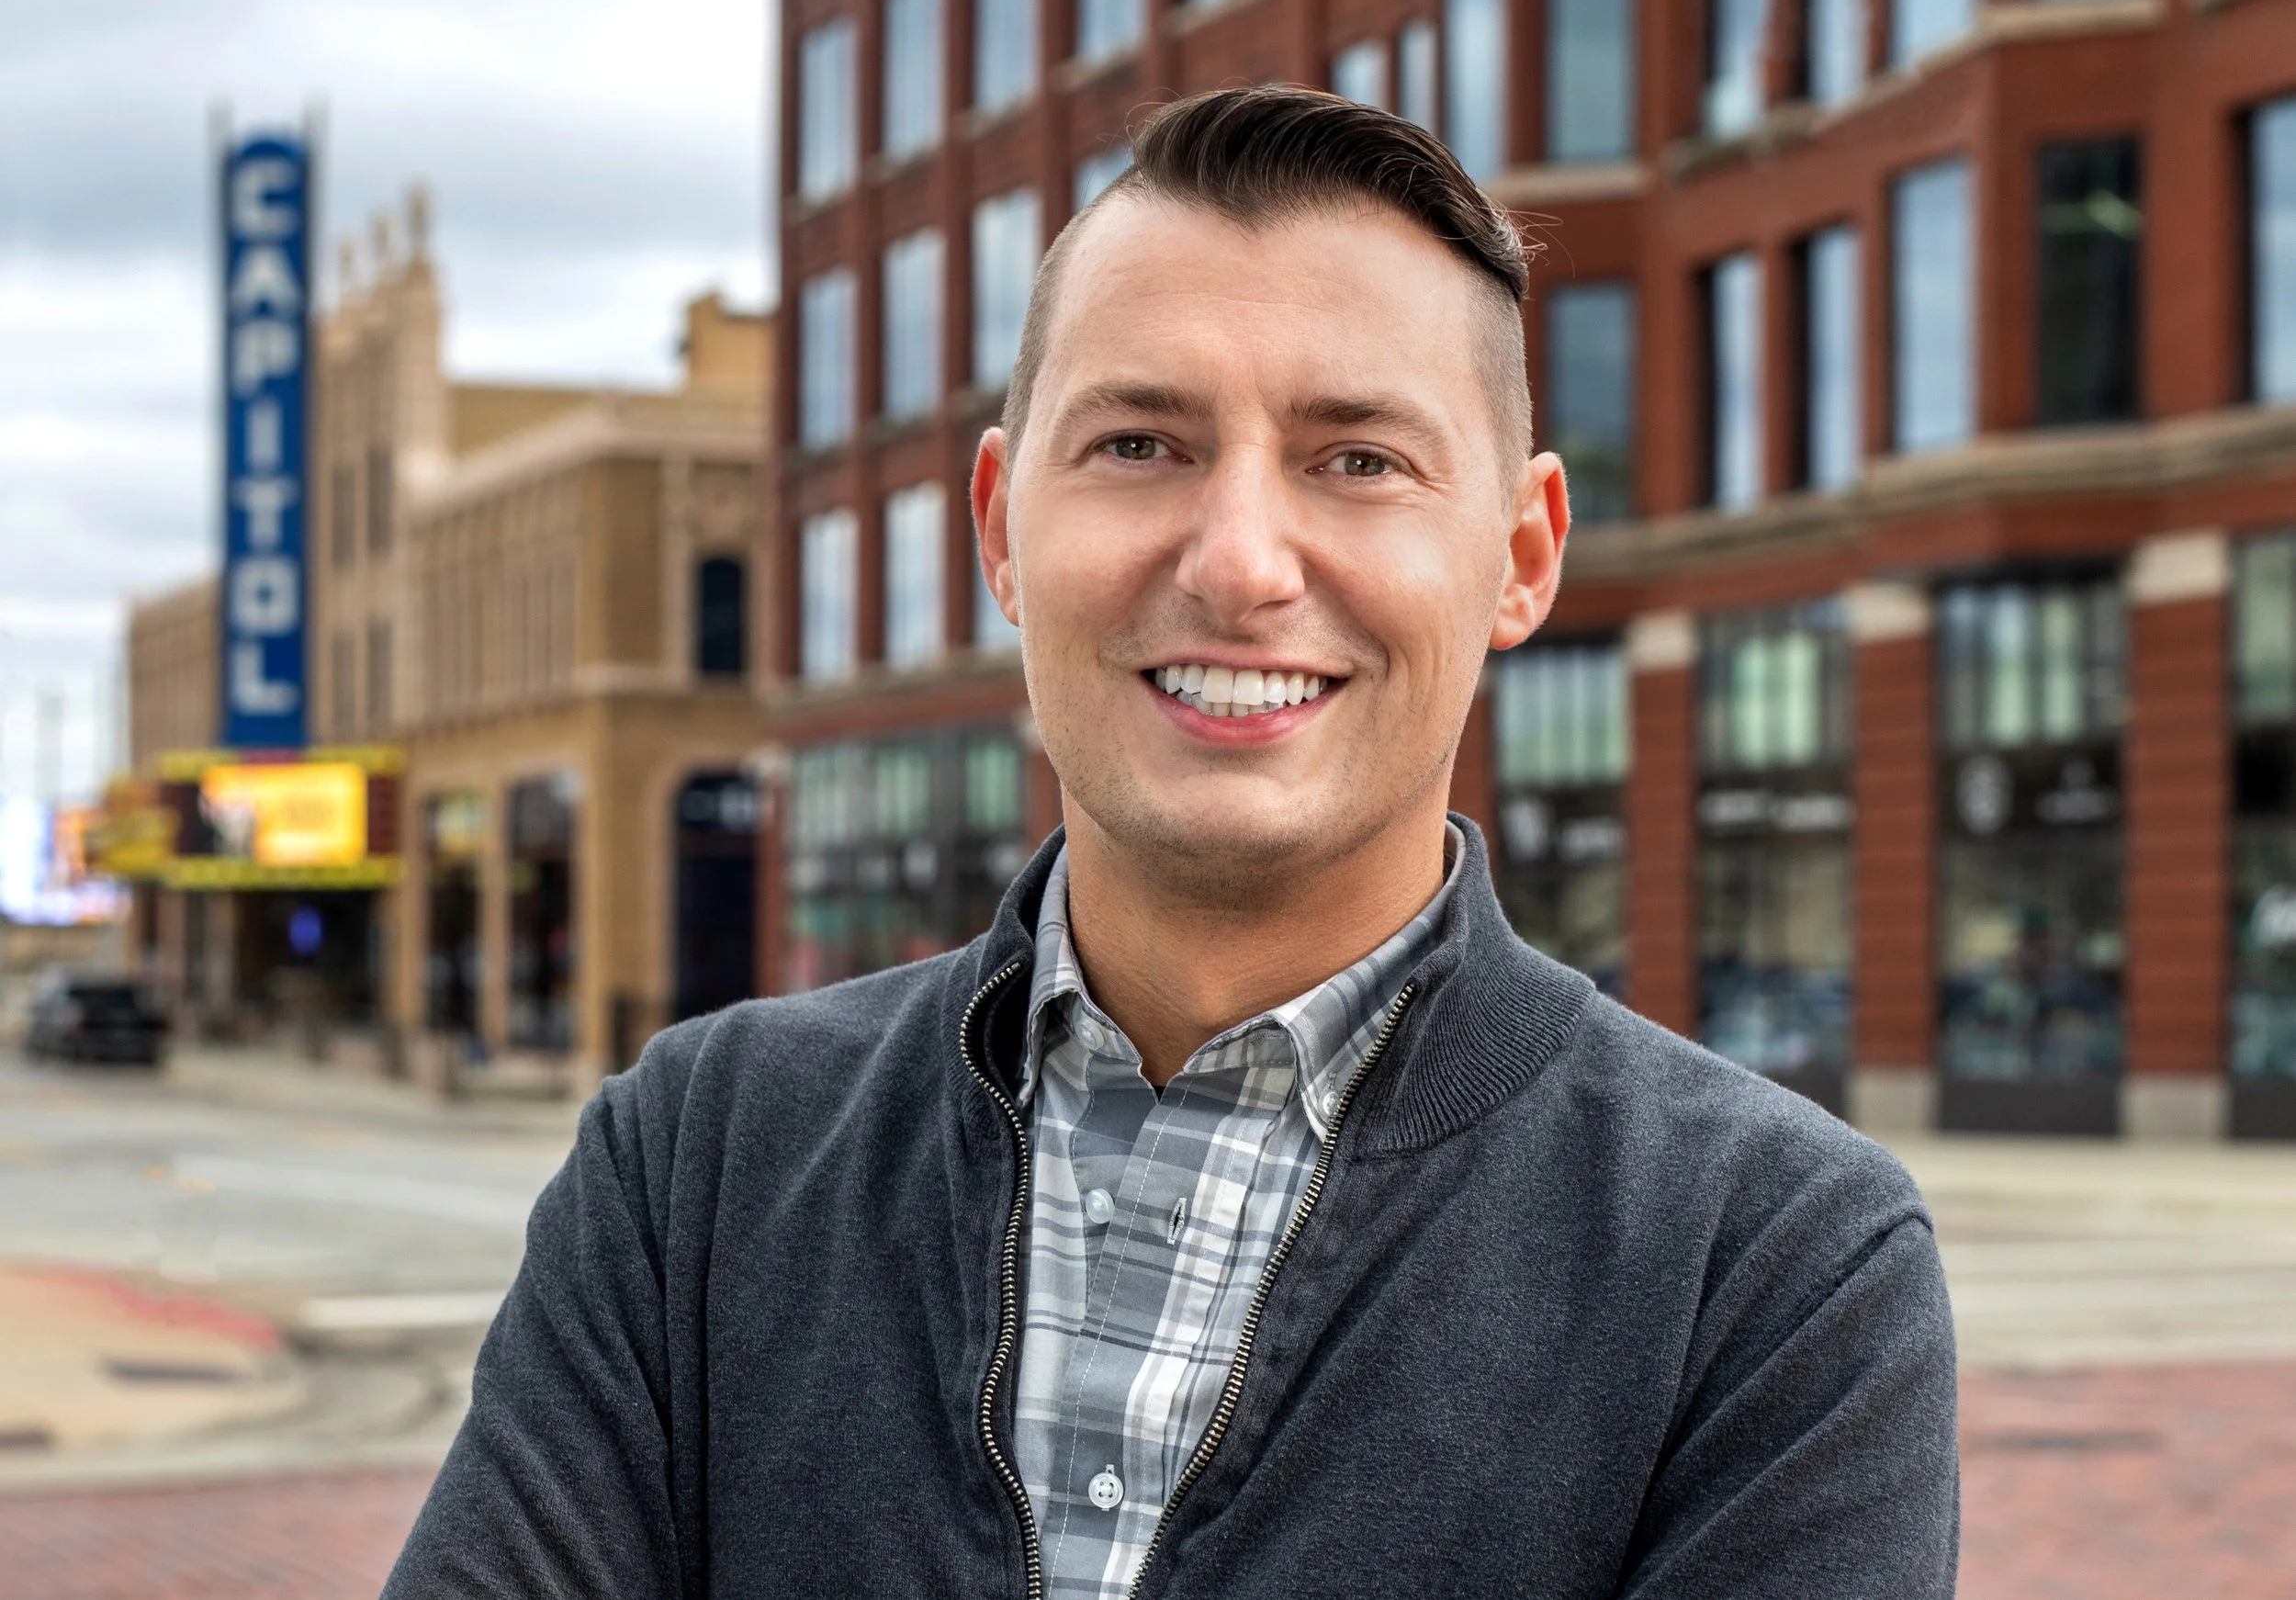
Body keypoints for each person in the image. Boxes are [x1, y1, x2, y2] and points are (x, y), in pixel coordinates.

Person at [384, 86, 1957, 1600]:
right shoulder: (698, 1161)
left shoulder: (1777, 1265)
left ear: (1521, 556)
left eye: (1359, 459)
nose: (1239, 562)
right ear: (1001, 527)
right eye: (1140, 444)